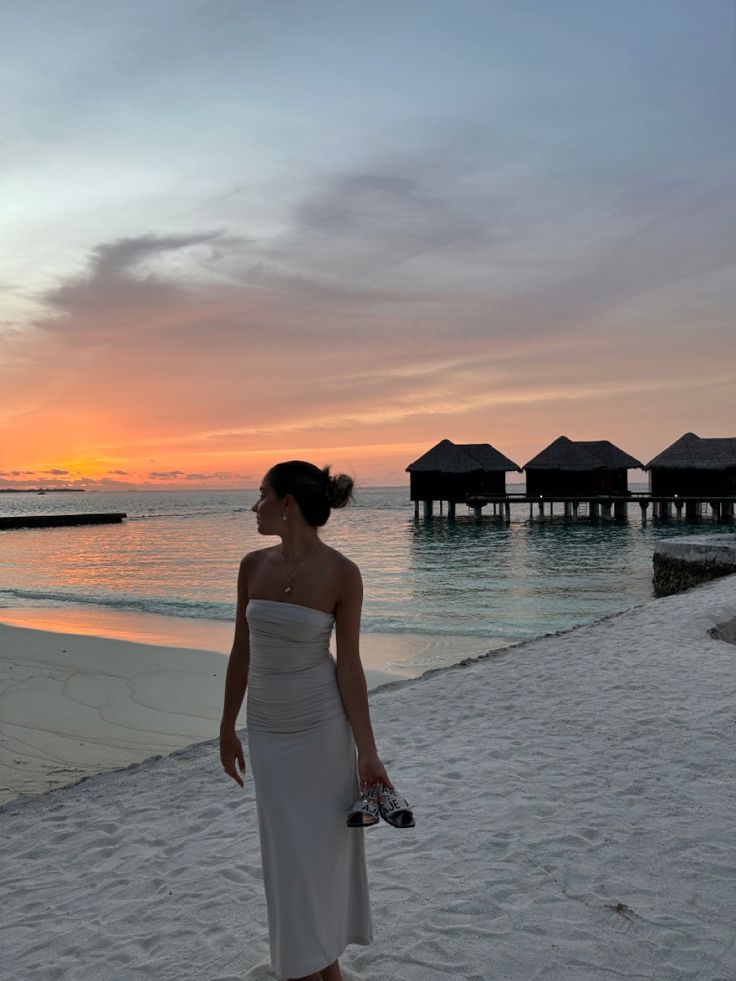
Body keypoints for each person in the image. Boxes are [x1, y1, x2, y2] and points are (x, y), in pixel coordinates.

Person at [219, 460, 393, 981]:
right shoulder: (252, 565)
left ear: (287, 503)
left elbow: (351, 666)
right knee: (286, 858)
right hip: (268, 732)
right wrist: (227, 727)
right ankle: (314, 967)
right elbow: (241, 650)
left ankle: (319, 968)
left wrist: (367, 749)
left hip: (321, 731)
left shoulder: (342, 573)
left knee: (318, 856)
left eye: (261, 496)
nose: (254, 507)